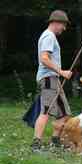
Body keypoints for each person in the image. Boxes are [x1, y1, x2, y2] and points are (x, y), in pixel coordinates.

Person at [31, 10, 72, 152]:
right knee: (46, 112)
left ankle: (55, 142)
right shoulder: (49, 36)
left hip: (53, 79)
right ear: (56, 22)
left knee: (64, 113)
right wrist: (61, 72)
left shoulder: (50, 36)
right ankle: (36, 145)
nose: (64, 28)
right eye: (63, 25)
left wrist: (59, 75)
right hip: (48, 79)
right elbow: (44, 58)